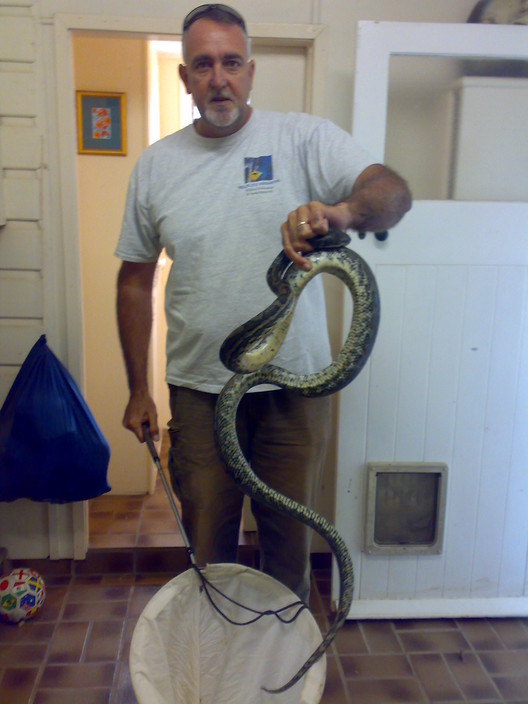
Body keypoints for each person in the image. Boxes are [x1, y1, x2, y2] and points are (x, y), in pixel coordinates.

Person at [115, 3, 411, 603]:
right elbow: (133, 280)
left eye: (230, 63)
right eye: (203, 65)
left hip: (295, 394)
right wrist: (138, 389)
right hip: (198, 393)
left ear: (250, 71)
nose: (218, 78)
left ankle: (285, 672)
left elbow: (394, 195)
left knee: (288, 547)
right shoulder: (156, 166)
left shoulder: (304, 138)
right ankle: (220, 668)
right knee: (209, 549)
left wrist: (343, 213)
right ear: (185, 78)